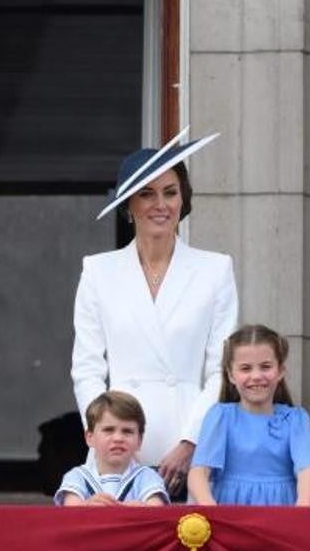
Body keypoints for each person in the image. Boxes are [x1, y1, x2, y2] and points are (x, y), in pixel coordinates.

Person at [72, 130, 237, 498]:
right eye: (147, 193)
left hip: (190, 448)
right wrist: (109, 435)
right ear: (128, 204)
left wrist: (190, 440)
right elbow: (86, 368)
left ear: (183, 200)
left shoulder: (215, 270)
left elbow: (219, 370)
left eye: (170, 192)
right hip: (115, 451)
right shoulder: (98, 271)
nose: (160, 204)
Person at [188, 325, 310, 506]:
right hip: (230, 513)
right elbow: (199, 472)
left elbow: (307, 470)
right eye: (245, 368)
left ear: (280, 371)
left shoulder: (296, 420)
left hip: (282, 513)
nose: (256, 376)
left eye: (265, 367)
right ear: (231, 375)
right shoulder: (221, 417)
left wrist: (302, 507)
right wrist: (210, 507)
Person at [55, 391, 168, 506]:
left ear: (139, 441)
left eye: (127, 431)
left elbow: (156, 507)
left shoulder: (147, 476)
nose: (118, 438)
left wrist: (142, 509)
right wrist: (86, 506)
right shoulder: (77, 476)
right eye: (108, 430)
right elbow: (70, 509)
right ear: (90, 437)